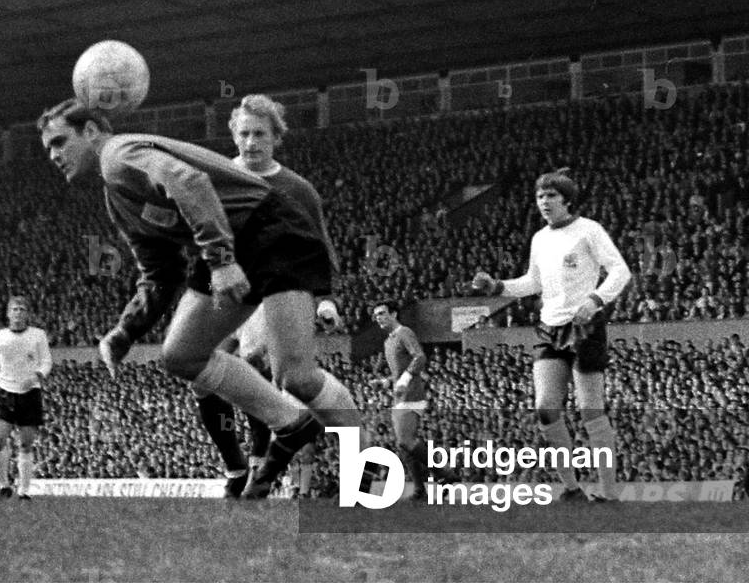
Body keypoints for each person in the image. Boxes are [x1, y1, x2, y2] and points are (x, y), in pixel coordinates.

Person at [37, 96, 361, 498]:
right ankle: (291, 424)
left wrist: (221, 258)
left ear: (89, 131)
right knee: (180, 355)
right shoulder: (115, 196)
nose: (53, 155)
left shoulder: (119, 155)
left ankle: (363, 464)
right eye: (48, 148)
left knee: (295, 376)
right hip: (229, 243)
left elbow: (188, 181)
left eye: (58, 142)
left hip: (272, 231)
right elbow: (160, 272)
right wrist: (126, 331)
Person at [191, 94, 351, 498]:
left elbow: (320, 247)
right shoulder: (217, 178)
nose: (250, 142)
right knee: (199, 376)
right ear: (233, 134)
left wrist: (326, 299)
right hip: (226, 285)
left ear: (276, 137)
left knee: (271, 371)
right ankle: (237, 465)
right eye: (243, 133)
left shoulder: (297, 189)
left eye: (259, 133)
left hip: (275, 288)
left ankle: (267, 460)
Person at [472, 168, 632, 502]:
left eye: (551, 196)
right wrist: (499, 286)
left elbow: (620, 270)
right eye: (540, 196)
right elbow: (533, 282)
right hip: (549, 327)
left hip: (585, 326)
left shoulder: (589, 230)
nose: (544, 202)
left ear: (567, 200)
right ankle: (572, 488)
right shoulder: (540, 238)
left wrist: (595, 299)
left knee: (591, 410)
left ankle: (609, 491)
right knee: (545, 408)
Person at [371, 300, 456, 500]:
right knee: (403, 445)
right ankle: (419, 489)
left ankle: (446, 474)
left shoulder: (404, 333)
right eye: (376, 316)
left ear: (394, 314)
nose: (379, 318)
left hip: (412, 394)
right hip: (399, 395)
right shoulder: (388, 341)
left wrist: (406, 379)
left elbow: (420, 357)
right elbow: (398, 372)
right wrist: (386, 382)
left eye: (382, 313)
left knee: (405, 440)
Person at [0, 296, 52, 501]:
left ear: (27, 313)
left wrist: (36, 377)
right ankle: (3, 485)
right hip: (4, 391)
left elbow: (46, 361)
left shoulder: (38, 335)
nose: (18, 312)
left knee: (26, 443)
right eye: (14, 309)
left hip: (30, 393)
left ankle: (24, 490)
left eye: (22, 309)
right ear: (8, 313)